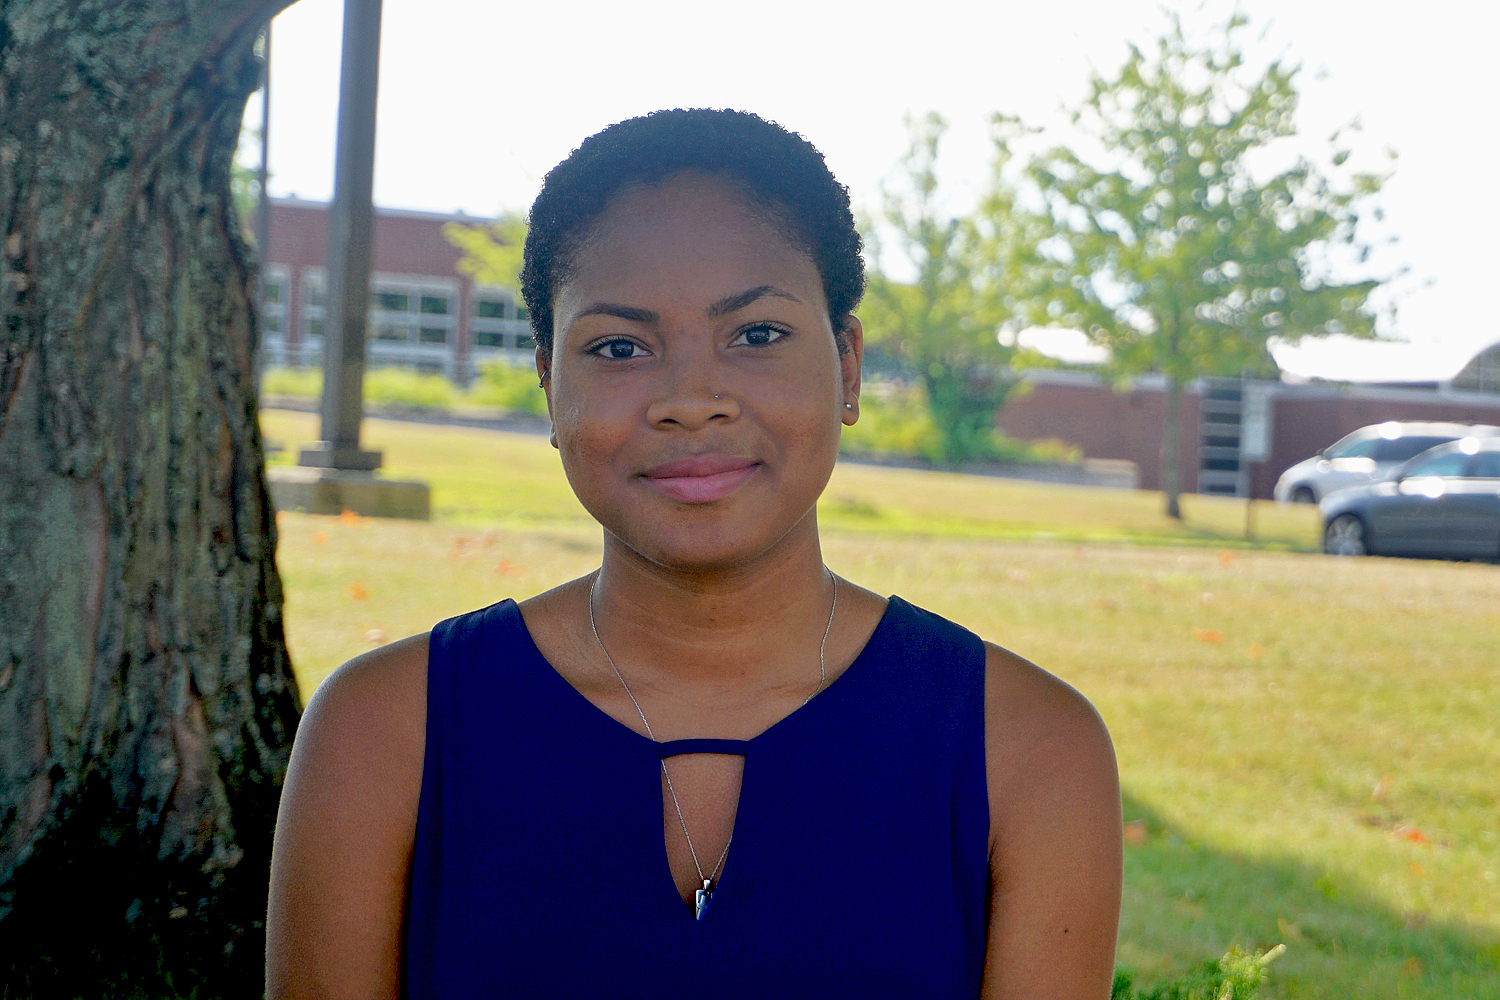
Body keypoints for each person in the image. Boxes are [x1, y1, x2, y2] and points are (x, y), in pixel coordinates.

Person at [266, 108, 1122, 999]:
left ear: (849, 365)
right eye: (619, 346)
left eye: (755, 334)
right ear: (552, 388)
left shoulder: (1026, 749)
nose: (691, 399)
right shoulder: (384, 733)